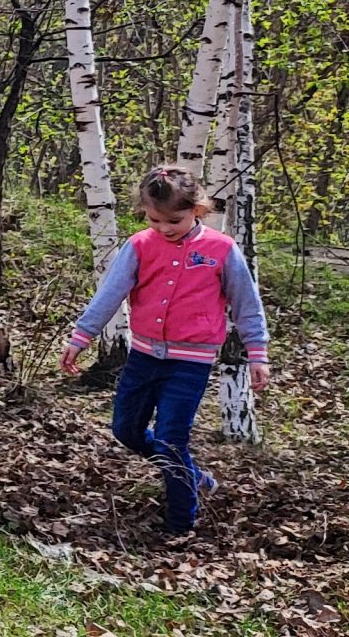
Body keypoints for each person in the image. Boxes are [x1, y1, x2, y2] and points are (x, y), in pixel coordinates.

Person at [62, 164, 272, 533]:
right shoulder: (139, 246)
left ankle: (180, 523)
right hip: (143, 357)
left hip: (190, 363)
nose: (164, 228)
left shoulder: (221, 249)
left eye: (174, 220)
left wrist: (258, 353)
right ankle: (193, 476)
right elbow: (110, 294)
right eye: (154, 219)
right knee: (126, 429)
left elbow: (247, 304)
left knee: (171, 439)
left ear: (197, 209)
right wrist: (82, 336)